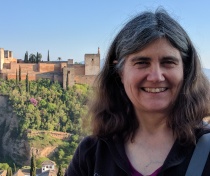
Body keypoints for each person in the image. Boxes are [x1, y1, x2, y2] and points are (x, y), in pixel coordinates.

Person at [65, 8, 210, 176]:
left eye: (168, 62)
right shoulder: (92, 154)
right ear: (120, 72)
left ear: (185, 70)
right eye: (142, 62)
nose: (156, 77)